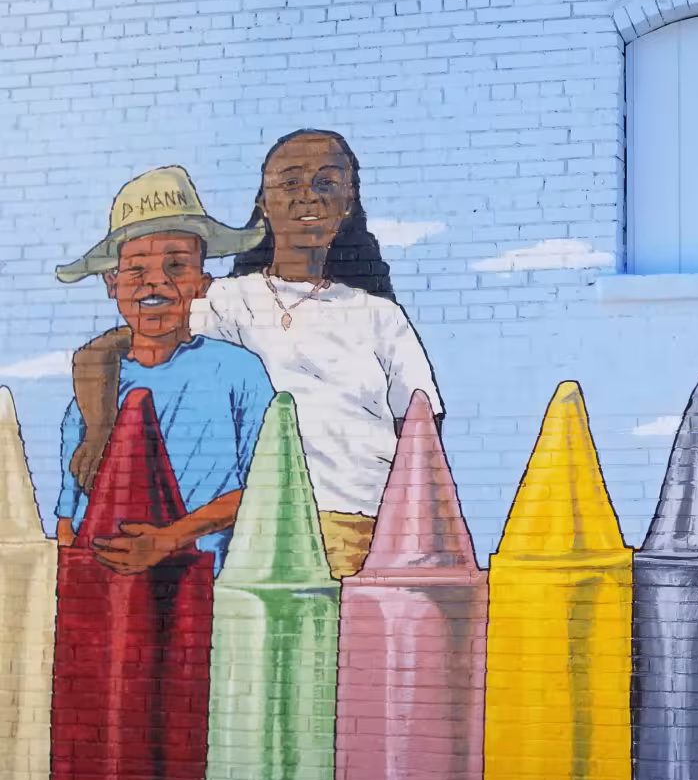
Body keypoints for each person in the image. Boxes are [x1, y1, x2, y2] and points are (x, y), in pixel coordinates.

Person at [69, 130, 443, 579]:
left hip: (363, 528)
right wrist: (99, 431)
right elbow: (106, 349)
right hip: (263, 530)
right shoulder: (223, 299)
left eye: (327, 183)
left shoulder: (382, 318)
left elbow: (422, 436)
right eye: (290, 182)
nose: (309, 195)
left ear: (348, 203)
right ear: (263, 203)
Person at [54, 166, 275, 572]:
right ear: (112, 282)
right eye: (136, 268)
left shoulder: (238, 373)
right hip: (114, 595)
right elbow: (70, 523)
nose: (154, 282)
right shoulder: (91, 398)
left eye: (176, 266)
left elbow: (266, 485)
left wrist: (170, 539)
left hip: (208, 586)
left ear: (202, 283)